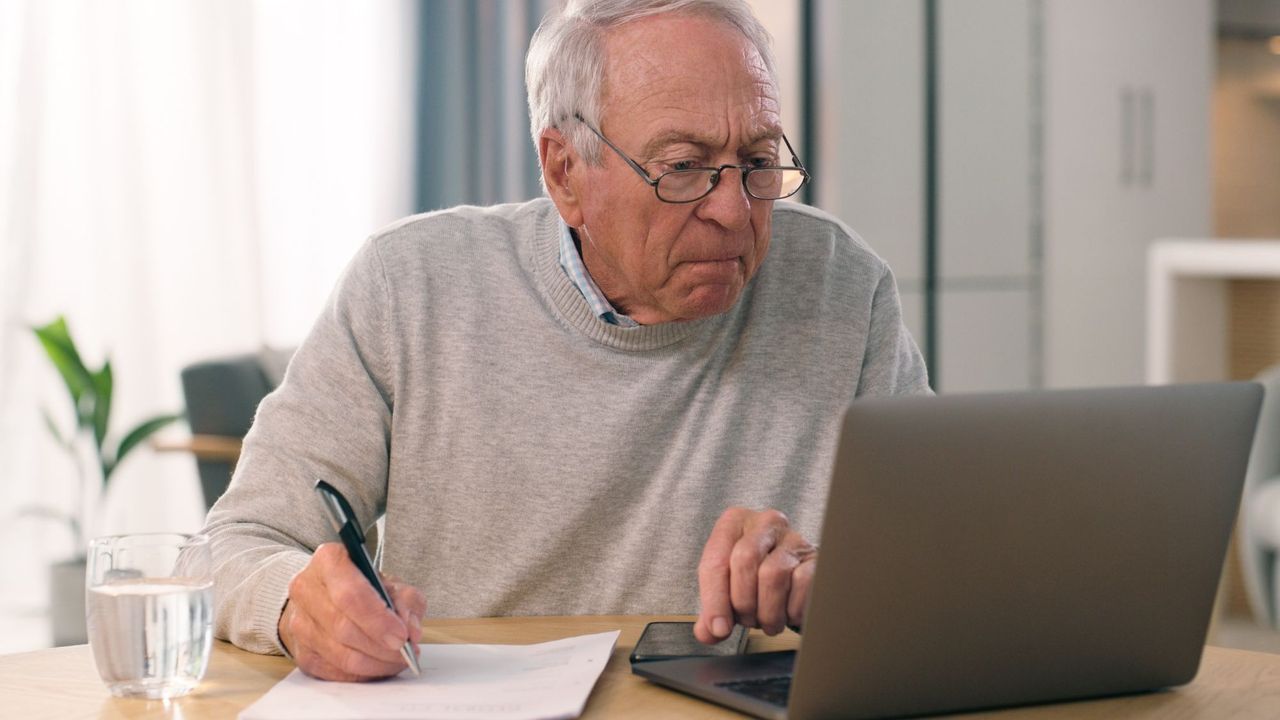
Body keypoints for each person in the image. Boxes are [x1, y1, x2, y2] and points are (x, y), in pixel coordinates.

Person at [202, 0, 930, 682]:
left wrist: (833, 581)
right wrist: (299, 606)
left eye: (759, 160)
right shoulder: (410, 285)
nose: (734, 209)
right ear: (565, 172)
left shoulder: (840, 286)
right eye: (683, 168)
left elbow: (938, 562)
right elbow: (236, 543)